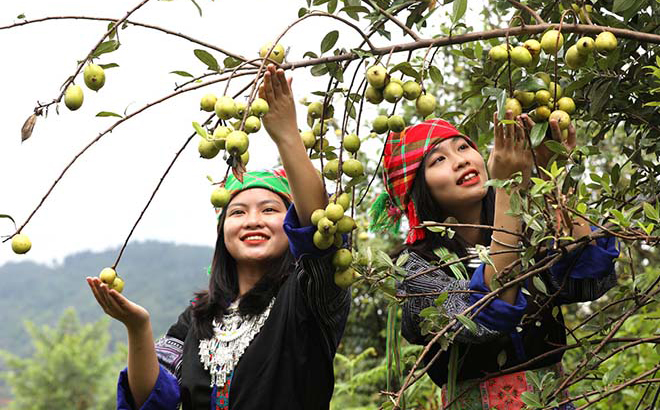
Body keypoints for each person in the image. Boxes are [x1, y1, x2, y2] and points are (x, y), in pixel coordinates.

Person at [87, 64, 350, 409]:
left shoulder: (307, 297)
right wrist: (138, 327)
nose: (252, 221)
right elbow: (152, 399)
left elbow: (321, 231)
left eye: (270, 210)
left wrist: (287, 135)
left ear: (290, 225)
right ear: (222, 230)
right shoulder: (197, 317)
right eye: (238, 213)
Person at [370, 112, 619, 408]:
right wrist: (507, 189)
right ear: (418, 189)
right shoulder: (416, 269)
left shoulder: (530, 230)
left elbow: (586, 274)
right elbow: (484, 315)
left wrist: (557, 175)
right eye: (438, 160)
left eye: (463, 147)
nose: (461, 160)